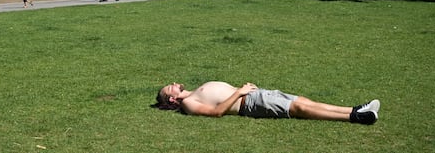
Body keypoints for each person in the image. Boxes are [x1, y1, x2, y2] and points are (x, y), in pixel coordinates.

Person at [155, 81, 379, 125]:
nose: (174, 83)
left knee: (301, 101)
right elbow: (216, 112)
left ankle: (354, 109)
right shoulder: (188, 105)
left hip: (254, 95)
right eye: (170, 88)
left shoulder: (193, 92)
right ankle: (356, 117)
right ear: (172, 99)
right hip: (250, 103)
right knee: (299, 108)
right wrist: (240, 92)